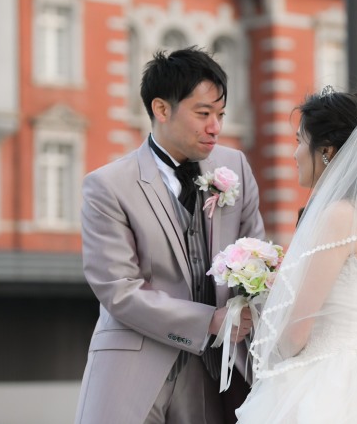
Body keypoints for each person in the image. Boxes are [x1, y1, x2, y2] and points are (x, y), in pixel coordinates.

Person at [74, 47, 265, 424]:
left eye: (220, 115)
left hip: (219, 375)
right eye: (203, 114)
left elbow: (257, 257)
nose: (215, 127)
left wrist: (245, 311)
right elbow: (119, 291)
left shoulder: (235, 167)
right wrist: (209, 320)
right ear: (161, 109)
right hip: (134, 374)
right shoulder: (108, 186)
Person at [237, 88, 357, 423]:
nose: (294, 154)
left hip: (325, 387)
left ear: (325, 152)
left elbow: (295, 334)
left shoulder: (338, 216)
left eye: (299, 141)